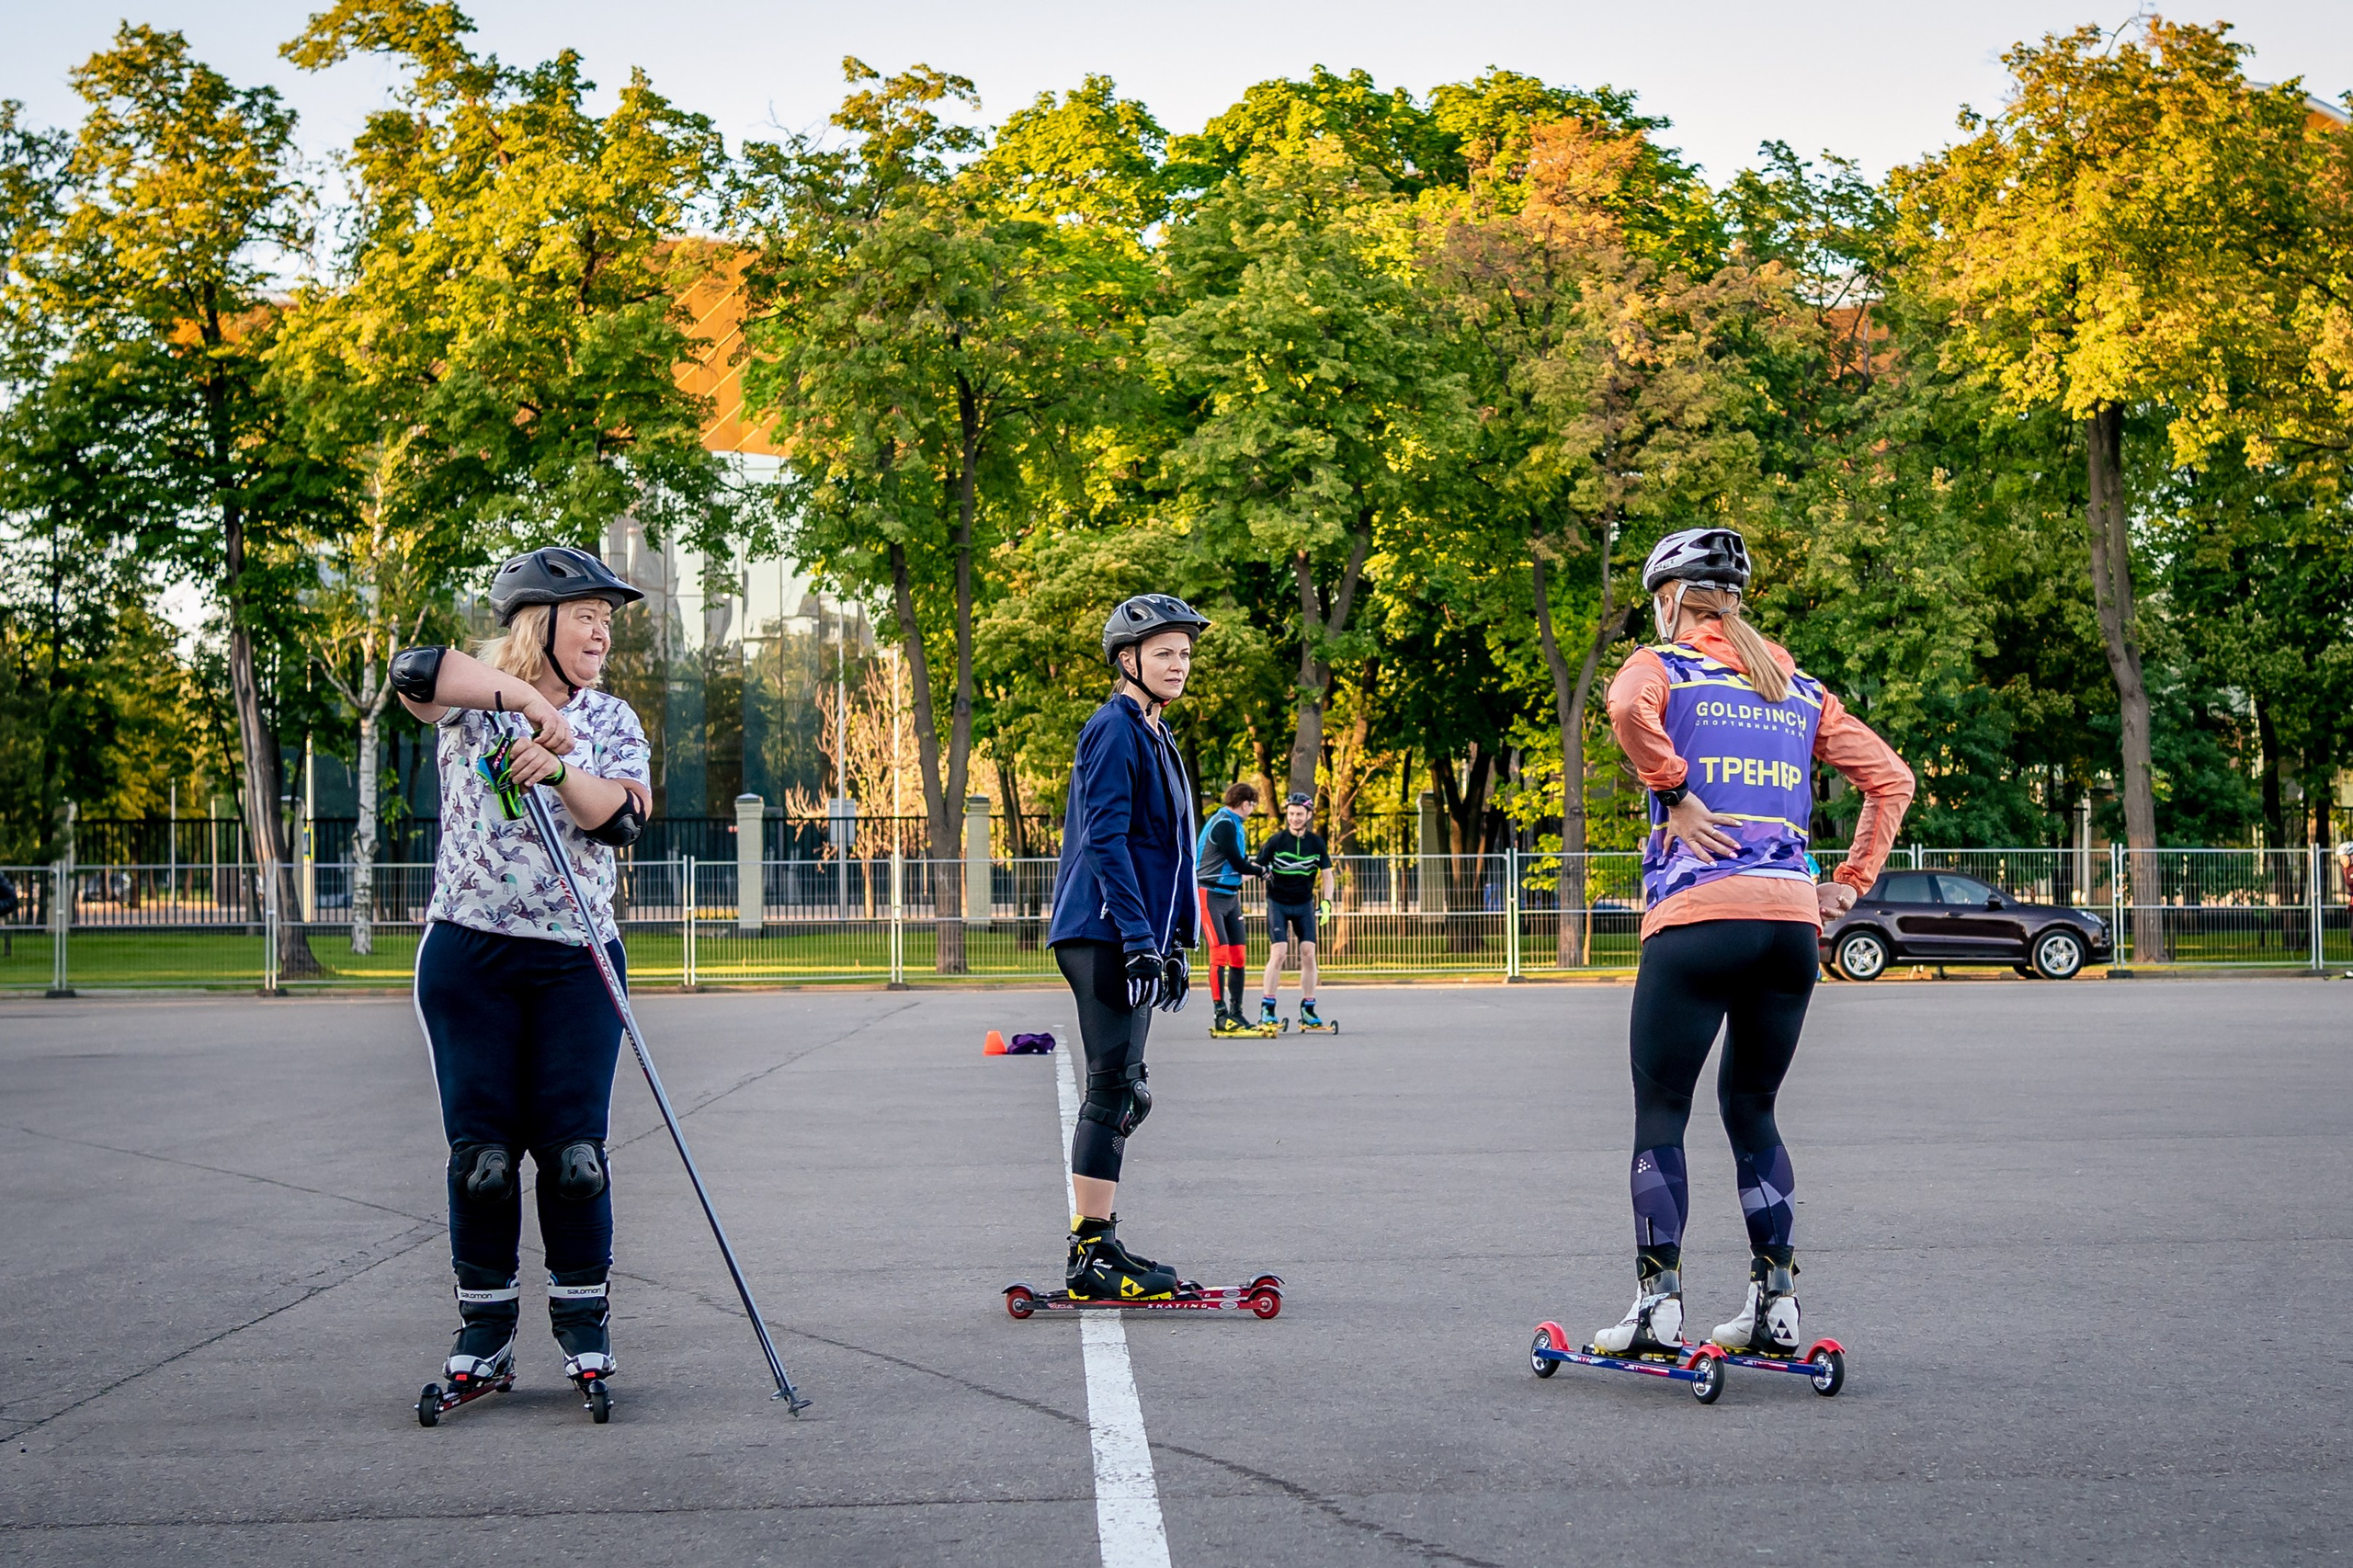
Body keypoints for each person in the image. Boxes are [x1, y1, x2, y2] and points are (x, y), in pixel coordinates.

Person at [1592, 526, 1914, 1358]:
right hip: (1789, 927)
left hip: (1698, 921)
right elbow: (1892, 779)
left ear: (1669, 601)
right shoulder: (1798, 688)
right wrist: (1851, 880)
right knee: (1755, 1111)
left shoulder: (1660, 666)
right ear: (1735, 602)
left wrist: (1673, 792)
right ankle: (1776, 1305)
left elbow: (1627, 710)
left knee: (1662, 1111)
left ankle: (1657, 1308)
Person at [391, 546, 654, 1401]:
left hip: (577, 956)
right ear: (540, 621)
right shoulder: (474, 703)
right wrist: (529, 703)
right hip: (471, 955)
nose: (601, 632)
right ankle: (485, 1333)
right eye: (586, 615)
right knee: (484, 1158)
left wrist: (562, 763)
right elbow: (414, 671)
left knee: (575, 1153)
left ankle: (583, 1328)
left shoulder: (614, 718)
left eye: (608, 620)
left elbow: (622, 820)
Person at [1045, 593, 1211, 1300]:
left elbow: (1167, 850)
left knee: (1126, 1092)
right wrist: (1142, 941)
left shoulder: (1156, 733)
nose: (1177, 665)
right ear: (1127, 658)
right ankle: (1091, 1255)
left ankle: (1101, 1241)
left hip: (1133, 933)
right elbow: (1107, 839)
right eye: (1164, 653)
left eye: (1184, 654)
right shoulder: (1113, 728)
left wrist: (1175, 943)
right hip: (1102, 930)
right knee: (1113, 1089)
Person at [1256, 791, 1335, 1031]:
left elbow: (1327, 875)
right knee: (1279, 952)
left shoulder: (1316, 843)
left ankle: (1308, 1009)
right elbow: (1256, 867)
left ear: (1308, 815)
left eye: (1299, 814)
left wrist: (1327, 901)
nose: (1295, 818)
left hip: (1304, 904)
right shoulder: (1276, 841)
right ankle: (1267, 1008)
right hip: (1278, 902)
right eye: (1291, 814)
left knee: (1309, 952)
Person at [1196, 781, 1263, 1035]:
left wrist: (1253, 869)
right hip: (1210, 894)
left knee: (1239, 955)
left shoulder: (1236, 825)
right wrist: (1261, 871)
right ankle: (1220, 1013)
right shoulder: (1223, 823)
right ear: (1245, 804)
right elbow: (1238, 861)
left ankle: (1237, 1012)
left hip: (1231, 897)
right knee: (1220, 953)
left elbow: (1238, 863)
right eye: (1253, 805)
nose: (1252, 810)